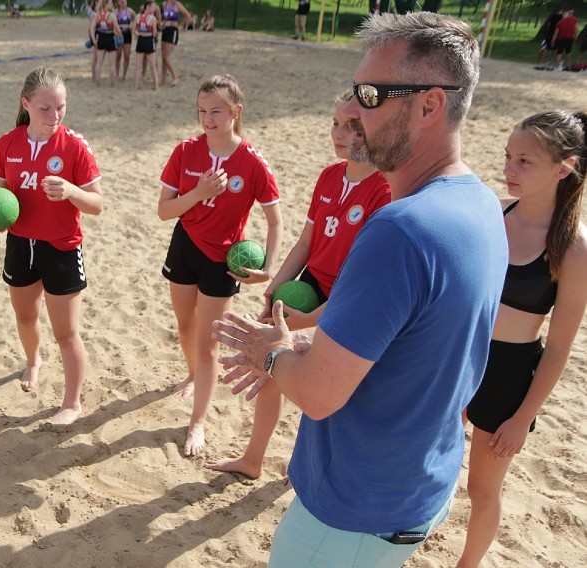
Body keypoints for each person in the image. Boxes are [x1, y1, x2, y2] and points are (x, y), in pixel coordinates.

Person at [212, 13, 508, 567]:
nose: (350, 111)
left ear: (429, 106)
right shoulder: (482, 204)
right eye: (354, 92)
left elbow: (320, 396)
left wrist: (271, 353)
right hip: (418, 486)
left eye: (369, 94)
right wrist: (307, 345)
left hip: (353, 511)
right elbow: (417, 347)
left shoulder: (400, 229)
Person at [205, 90, 390, 478]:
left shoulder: (384, 190)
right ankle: (253, 460)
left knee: (325, 389)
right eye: (336, 123)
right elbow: (306, 242)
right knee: (272, 369)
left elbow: (365, 271)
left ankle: (316, 469)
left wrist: (318, 316)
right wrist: (276, 288)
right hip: (307, 287)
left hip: (346, 299)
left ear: (374, 129)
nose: (339, 134)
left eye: (352, 127)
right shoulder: (328, 176)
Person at [457, 110, 587, 568]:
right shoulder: (494, 211)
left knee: (481, 489)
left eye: (525, 161)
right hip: (460, 355)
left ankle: (467, 564)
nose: (509, 170)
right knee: (424, 457)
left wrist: (523, 417)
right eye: (508, 157)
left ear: (563, 167)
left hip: (510, 374)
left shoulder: (573, 246)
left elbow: (558, 347)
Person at [159, 74, 284, 457]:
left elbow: (275, 220)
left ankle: (197, 422)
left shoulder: (251, 161)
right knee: (184, 327)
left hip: (222, 261)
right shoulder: (185, 151)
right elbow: (165, 211)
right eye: (202, 111)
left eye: (216, 111)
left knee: (208, 343)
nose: (208, 119)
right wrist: (199, 192)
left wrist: (270, 269)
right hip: (185, 247)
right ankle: (195, 377)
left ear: (236, 112)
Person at [0, 66, 103, 426]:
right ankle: (33, 360)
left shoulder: (74, 146)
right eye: (45, 108)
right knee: (25, 317)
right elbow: (0, 198)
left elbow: (97, 204)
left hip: (62, 248)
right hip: (21, 244)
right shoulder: (7, 144)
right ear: (26, 104)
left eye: (61, 107)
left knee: (66, 332)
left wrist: (71, 191)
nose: (54, 116)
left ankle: (72, 403)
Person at [90, 0, 123, 87]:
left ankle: (97, 81)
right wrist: (120, 37)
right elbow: (117, 29)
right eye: (111, 3)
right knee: (112, 63)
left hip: (100, 38)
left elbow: (91, 28)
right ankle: (113, 82)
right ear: (106, 5)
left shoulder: (98, 15)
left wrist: (93, 40)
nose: (112, 4)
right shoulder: (112, 15)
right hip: (110, 38)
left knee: (99, 62)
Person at [158, 0, 190, 86]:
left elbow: (188, 15)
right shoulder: (164, 4)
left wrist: (180, 25)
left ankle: (175, 77)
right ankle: (163, 79)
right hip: (165, 31)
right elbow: (162, 17)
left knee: (166, 56)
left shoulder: (177, 4)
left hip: (173, 31)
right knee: (163, 56)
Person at [133, 0, 159, 90]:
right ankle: (156, 86)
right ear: (148, 7)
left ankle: (136, 86)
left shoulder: (138, 17)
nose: (154, 8)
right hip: (149, 40)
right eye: (153, 7)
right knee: (153, 65)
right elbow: (154, 32)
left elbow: (134, 30)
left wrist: (139, 35)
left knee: (138, 66)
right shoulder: (152, 18)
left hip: (141, 40)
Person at [115, 0, 136, 80]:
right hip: (119, 33)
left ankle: (124, 74)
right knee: (118, 55)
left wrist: (132, 25)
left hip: (127, 33)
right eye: (122, 1)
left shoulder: (130, 11)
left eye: (125, 1)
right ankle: (117, 73)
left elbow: (136, 18)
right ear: (118, 2)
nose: (123, 2)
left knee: (127, 55)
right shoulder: (116, 12)